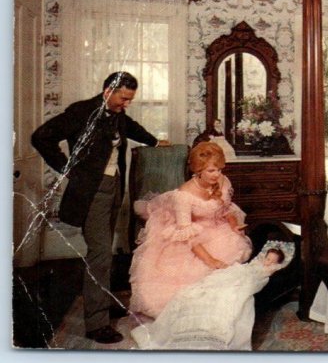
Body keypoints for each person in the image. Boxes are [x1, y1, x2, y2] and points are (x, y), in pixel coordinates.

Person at [31, 71, 170, 344]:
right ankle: (96, 323)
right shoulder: (81, 111)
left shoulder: (116, 113)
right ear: (108, 90)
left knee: (105, 249)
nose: (126, 104)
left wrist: (154, 141)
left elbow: (130, 126)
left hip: (114, 186)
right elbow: (41, 137)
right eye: (124, 98)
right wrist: (66, 167)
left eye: (130, 99)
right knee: (100, 254)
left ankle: (103, 302)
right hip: (92, 192)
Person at [129, 141, 252, 319]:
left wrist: (233, 224)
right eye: (211, 171)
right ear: (198, 171)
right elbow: (188, 238)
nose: (217, 175)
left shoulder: (223, 181)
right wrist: (211, 260)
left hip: (215, 227)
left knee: (233, 248)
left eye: (219, 169)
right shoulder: (183, 195)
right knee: (195, 274)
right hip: (190, 237)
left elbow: (226, 208)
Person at [130, 243, 292, 351]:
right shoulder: (257, 263)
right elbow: (246, 267)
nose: (268, 261)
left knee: (233, 293)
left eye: (272, 260)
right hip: (242, 272)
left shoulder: (268, 270)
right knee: (214, 282)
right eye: (267, 258)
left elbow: (264, 275)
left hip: (251, 277)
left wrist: (273, 266)